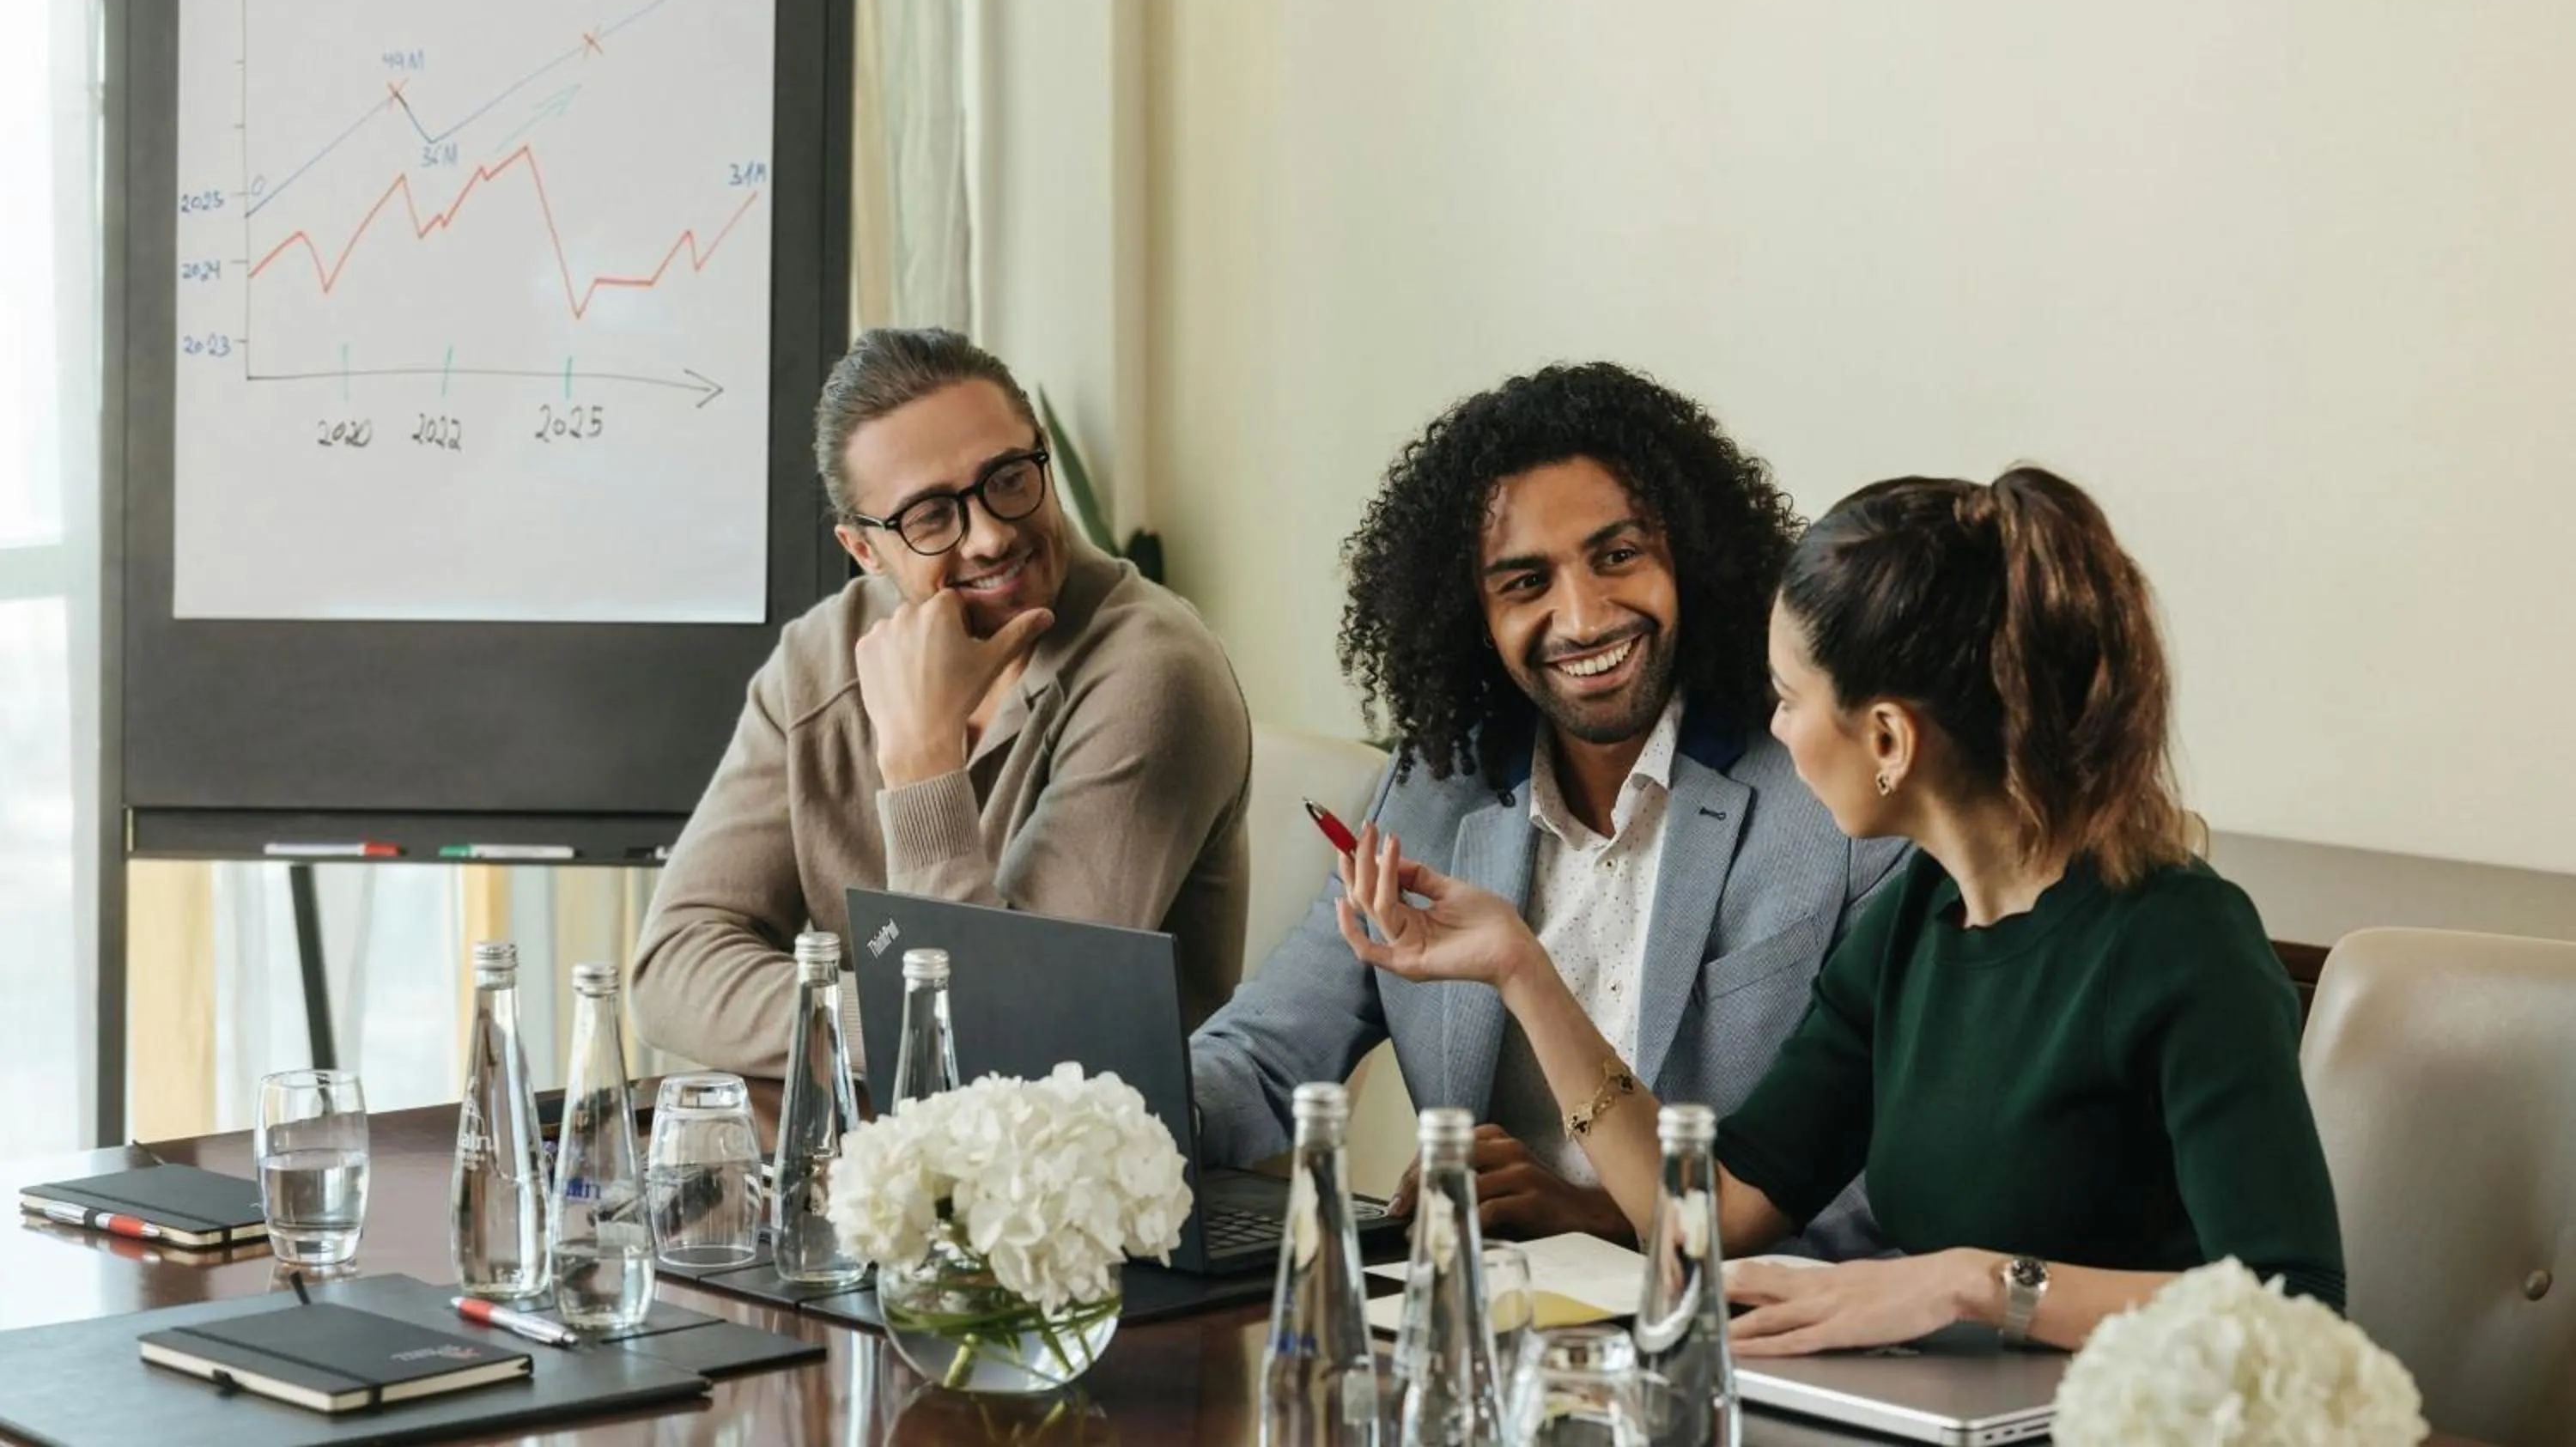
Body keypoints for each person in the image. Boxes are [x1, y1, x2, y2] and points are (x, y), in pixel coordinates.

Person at [1336, 465, 2343, 1353]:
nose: (1774, 728)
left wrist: (1974, 1281)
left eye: (1787, 696)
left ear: (1891, 739)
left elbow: (2294, 1311)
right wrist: (1521, 967)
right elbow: (1706, 1217)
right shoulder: (1919, 919)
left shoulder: (2183, 940)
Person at [1190, 364, 1905, 1249]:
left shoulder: (1831, 800)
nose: (1582, 617)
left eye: (1616, 556)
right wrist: (1087, 1126)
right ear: (1472, 616)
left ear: (1689, 552)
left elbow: (1886, 1189)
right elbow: (1263, 1058)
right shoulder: (1435, 785)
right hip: (1477, 1321)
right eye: (1525, 583)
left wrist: (1606, 1219)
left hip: (1733, 1330)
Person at [631, 328, 1251, 1075]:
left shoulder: (1153, 672)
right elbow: (672, 970)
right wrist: (906, 1024)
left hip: (1095, 1173)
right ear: (865, 551)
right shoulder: (820, 660)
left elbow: (1018, 1041)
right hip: (884, 1160)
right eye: (929, 516)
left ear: (1042, 455)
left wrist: (923, 763)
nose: (990, 535)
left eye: (1009, 478)